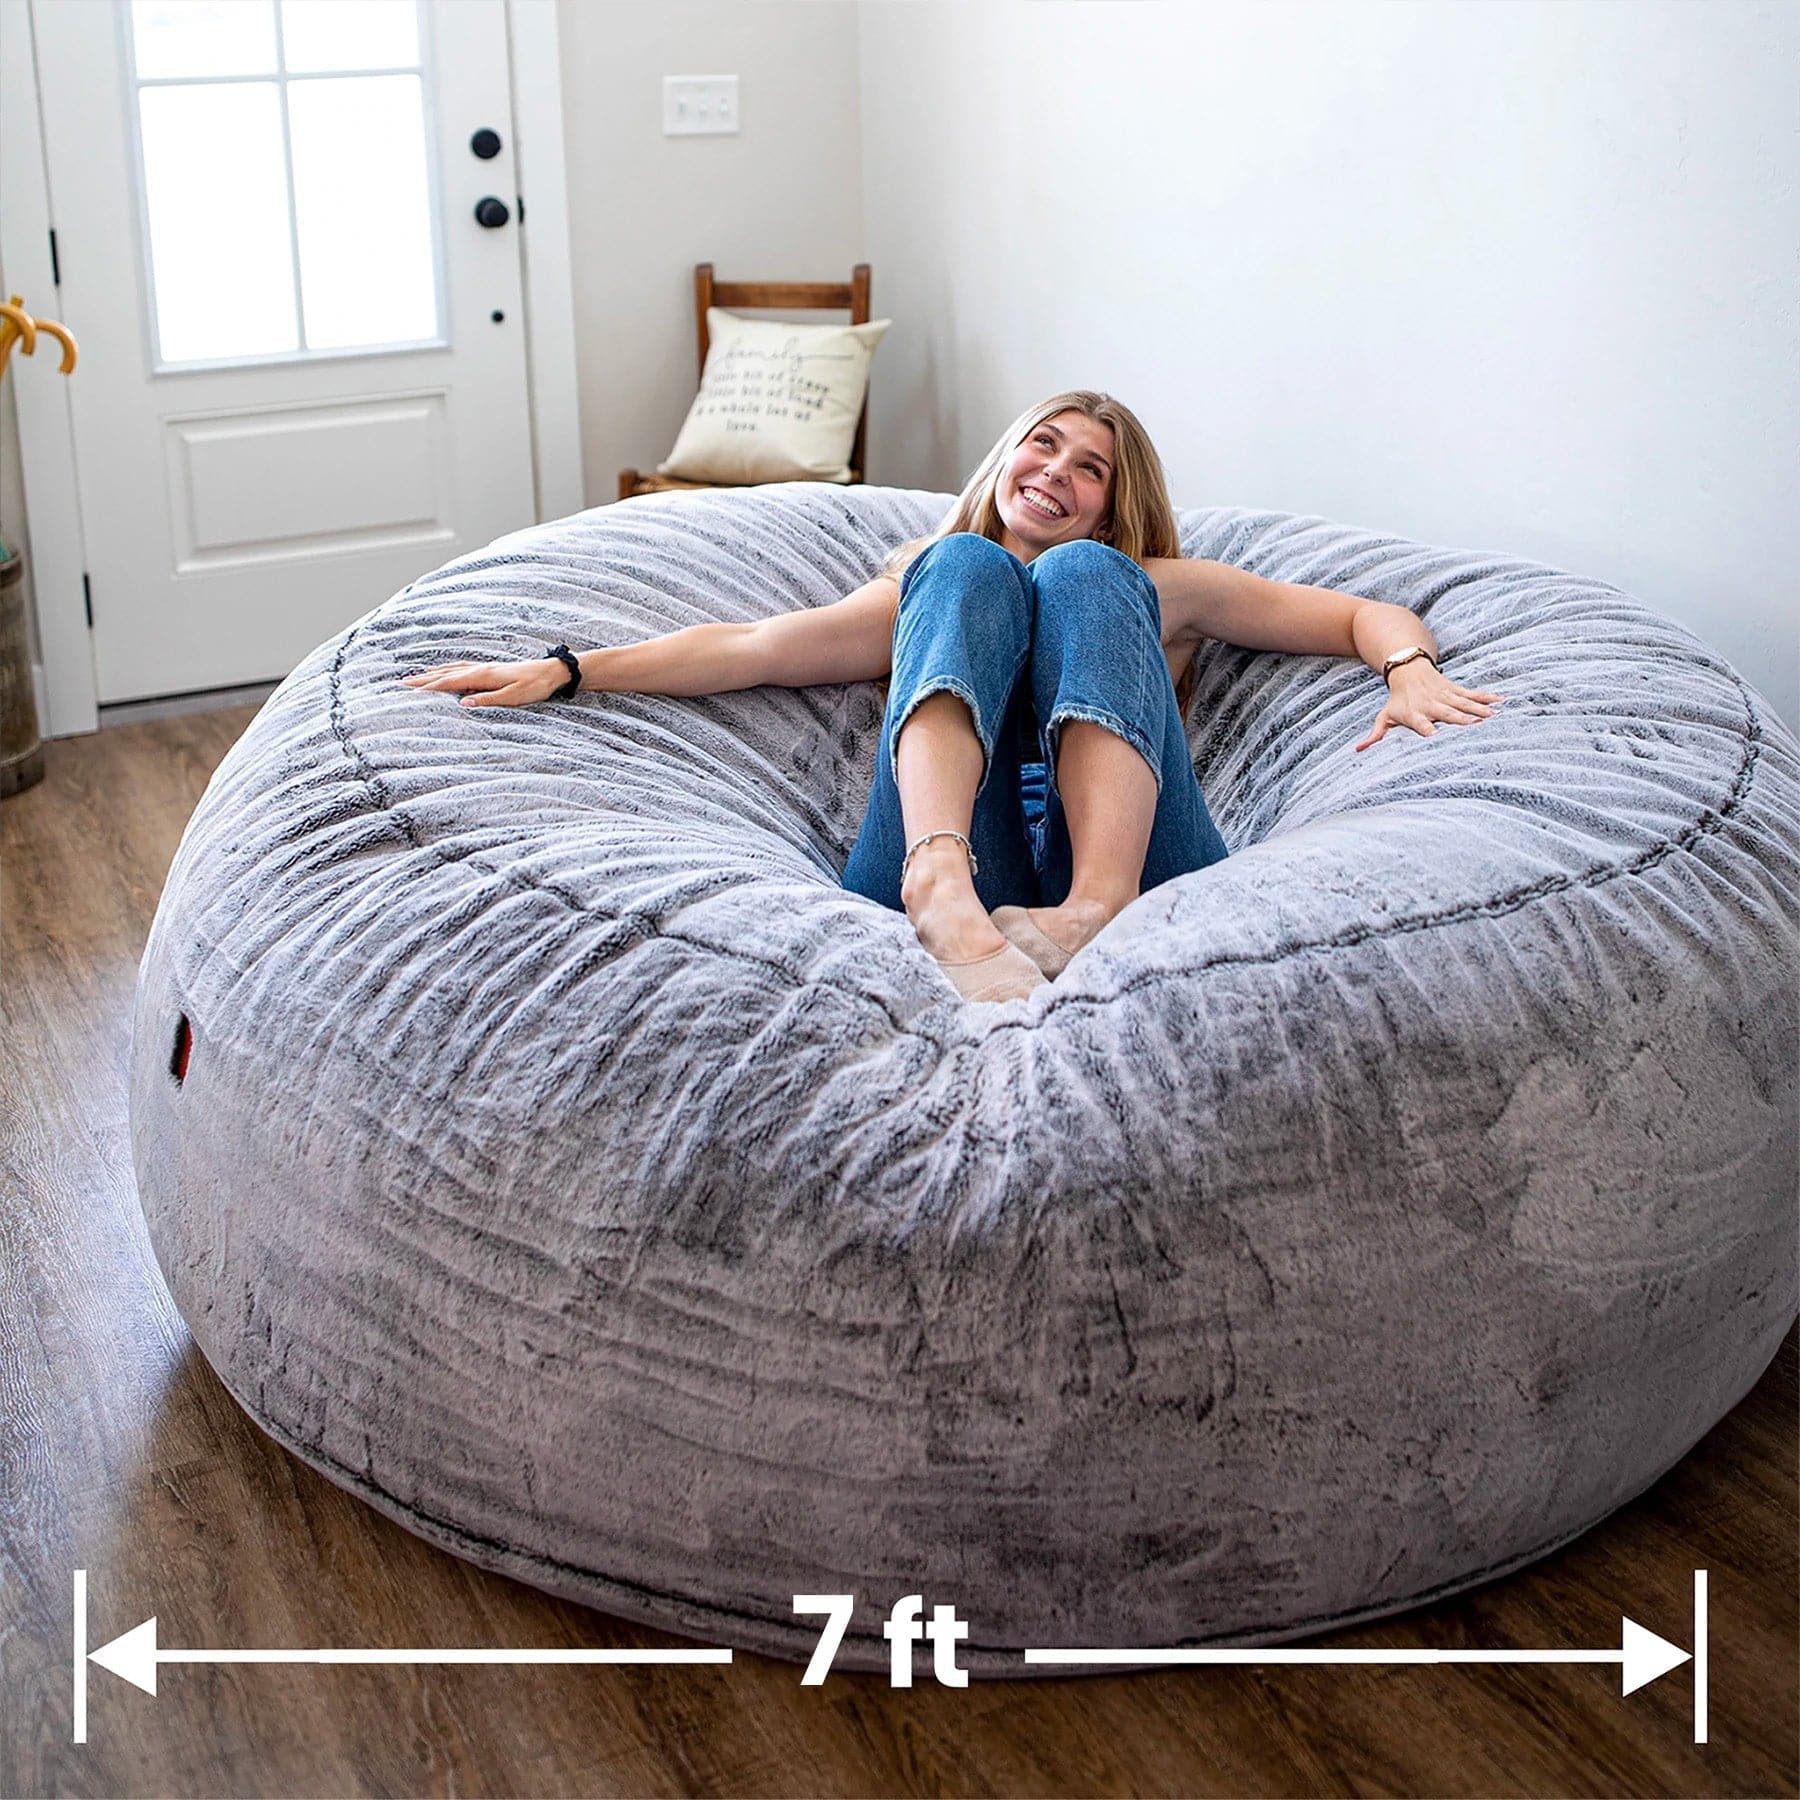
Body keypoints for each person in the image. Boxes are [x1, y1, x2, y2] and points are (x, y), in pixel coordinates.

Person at [400, 388, 1506, 1004]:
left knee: (1073, 580)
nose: (1058, 474)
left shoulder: (1147, 587)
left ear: (1119, 502)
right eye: (1046, 445)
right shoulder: (932, 582)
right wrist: (574, 667)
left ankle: (1095, 910)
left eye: (1092, 470)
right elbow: (751, 646)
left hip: (1144, 876)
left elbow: (1360, 615)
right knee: (965, 566)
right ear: (1004, 456)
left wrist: (1411, 672)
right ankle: (941, 880)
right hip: (953, 877)